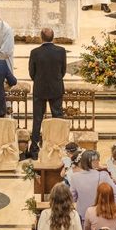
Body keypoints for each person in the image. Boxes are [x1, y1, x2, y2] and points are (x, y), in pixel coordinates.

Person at [28, 27, 67, 159]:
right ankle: (59, 146)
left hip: (40, 89)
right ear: (53, 37)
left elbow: (31, 73)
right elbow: (63, 71)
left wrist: (39, 81)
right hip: (56, 88)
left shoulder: (35, 52)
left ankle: (34, 150)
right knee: (58, 117)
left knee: (37, 119)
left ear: (41, 37)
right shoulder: (61, 51)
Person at [69, 150, 116, 226]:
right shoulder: (103, 175)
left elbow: (71, 198)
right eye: (97, 159)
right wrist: (110, 208)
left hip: (83, 218)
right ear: (93, 162)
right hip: (101, 216)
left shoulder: (75, 177)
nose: (99, 161)